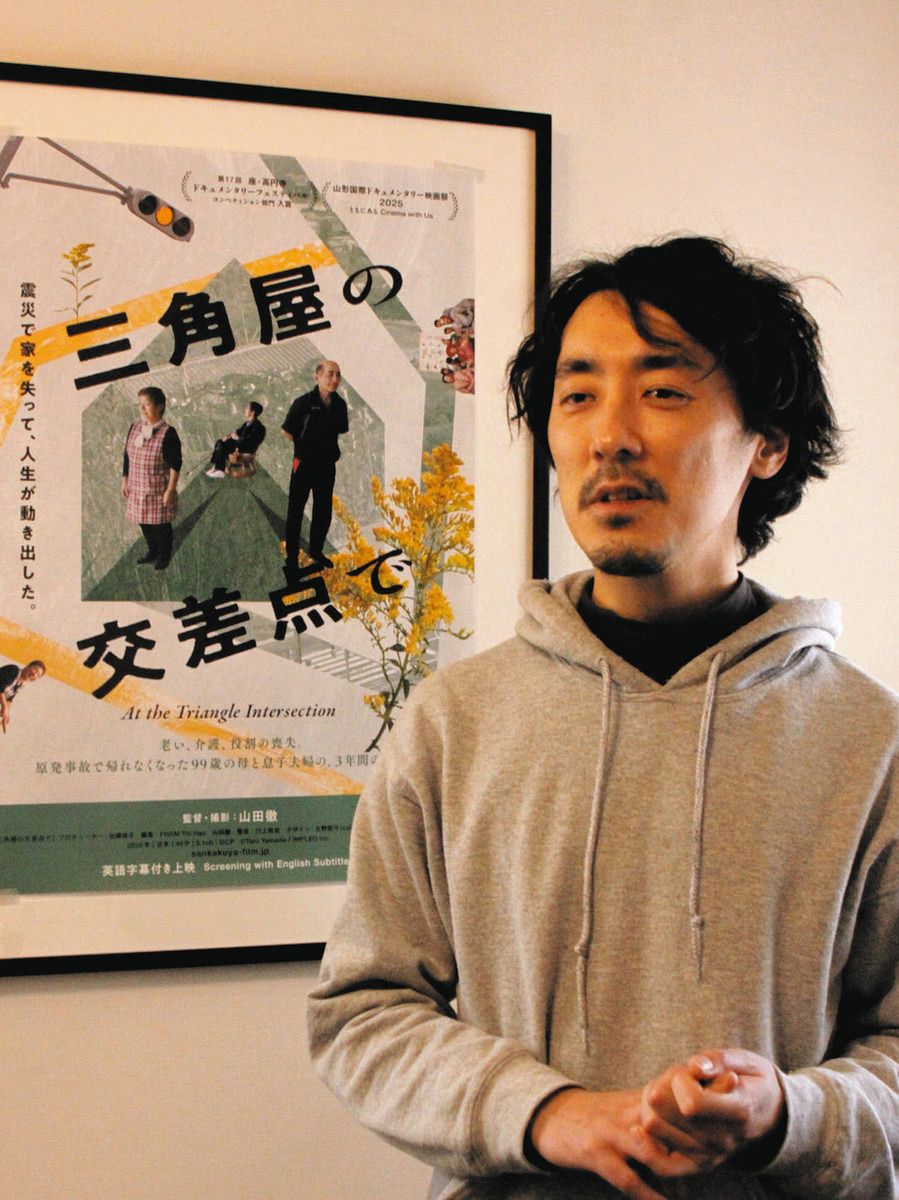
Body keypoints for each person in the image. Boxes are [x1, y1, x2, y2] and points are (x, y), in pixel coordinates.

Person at [307, 237, 898, 1200]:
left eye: (661, 391)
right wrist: (551, 1114)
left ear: (766, 441)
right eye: (576, 395)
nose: (609, 437)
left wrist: (788, 1114)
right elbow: (363, 1012)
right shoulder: (454, 722)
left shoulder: (869, 741)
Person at [281, 359, 348, 574]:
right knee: (296, 511)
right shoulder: (302, 403)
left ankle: (316, 552)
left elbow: (340, 430)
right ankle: (292, 559)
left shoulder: (340, 405)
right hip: (303, 463)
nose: (335, 379)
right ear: (317, 376)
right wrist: (305, 446)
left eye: (338, 375)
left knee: (323, 510)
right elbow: (287, 431)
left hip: (326, 465)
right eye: (330, 374)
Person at [121, 385, 181, 571]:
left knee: (160, 525)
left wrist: (170, 490)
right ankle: (152, 550)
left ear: (160, 406)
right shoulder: (134, 428)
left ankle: (164, 554)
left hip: (157, 490)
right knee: (144, 522)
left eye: (146, 404)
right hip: (137, 487)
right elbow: (126, 455)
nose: (141, 408)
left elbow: (175, 465)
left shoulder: (168, 433)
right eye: (140, 404)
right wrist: (124, 479)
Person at [206, 400, 266, 477]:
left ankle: (220, 470)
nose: (245, 410)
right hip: (239, 445)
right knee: (220, 442)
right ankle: (217, 466)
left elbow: (251, 442)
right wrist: (228, 436)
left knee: (222, 445)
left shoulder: (259, 427)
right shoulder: (246, 424)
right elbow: (237, 432)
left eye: (247, 408)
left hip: (246, 448)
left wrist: (237, 438)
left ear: (252, 412)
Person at [0, 659, 45, 733]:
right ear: (28, 666)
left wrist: (6, 714)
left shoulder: (20, 684)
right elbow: (0, 687)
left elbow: (8, 698)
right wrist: (4, 708)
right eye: (35, 671)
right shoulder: (13, 670)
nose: (35, 675)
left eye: (38, 676)